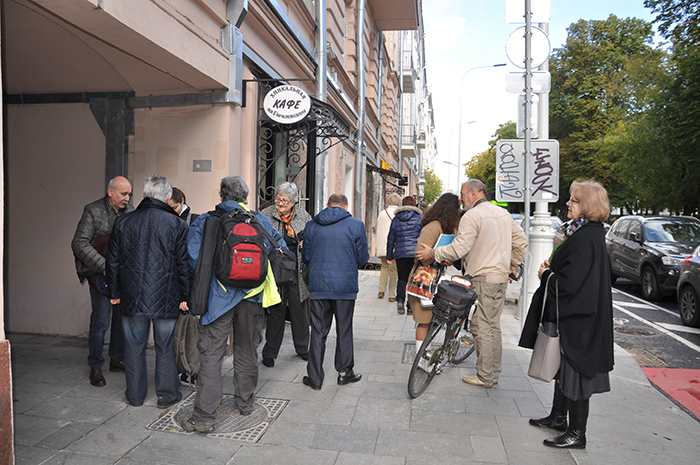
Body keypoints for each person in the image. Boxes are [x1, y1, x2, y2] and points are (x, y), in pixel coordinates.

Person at [181, 176, 286, 433]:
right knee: (247, 350)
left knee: (212, 354)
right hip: (252, 297)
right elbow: (279, 250)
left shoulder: (207, 221)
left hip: (218, 298)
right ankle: (245, 403)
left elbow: (193, 258)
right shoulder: (260, 221)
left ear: (221, 196)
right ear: (246, 197)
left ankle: (204, 416)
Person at [520, 180, 614, 449]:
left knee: (575, 375)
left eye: (574, 200)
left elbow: (572, 285)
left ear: (587, 206)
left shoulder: (586, 238)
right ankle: (558, 417)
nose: (568, 204)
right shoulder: (586, 233)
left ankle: (576, 433)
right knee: (563, 371)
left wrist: (546, 274)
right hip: (576, 318)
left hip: (580, 321)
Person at [416, 179, 527, 388]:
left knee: (481, 326)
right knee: (493, 326)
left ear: (473, 194)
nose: (461, 199)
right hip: (501, 278)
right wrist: (513, 265)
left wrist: (433, 252)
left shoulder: (472, 216)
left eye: (463, 194)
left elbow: (459, 248)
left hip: (484, 278)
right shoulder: (502, 213)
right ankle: (493, 373)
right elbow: (521, 240)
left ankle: (485, 376)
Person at [105, 175, 189, 408]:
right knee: (165, 346)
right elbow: (184, 264)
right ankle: (166, 395)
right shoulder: (177, 224)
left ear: (144, 195)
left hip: (132, 296)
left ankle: (135, 395)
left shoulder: (123, 222)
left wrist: (114, 292)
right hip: (167, 295)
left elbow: (112, 262)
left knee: (133, 346)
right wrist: (186, 296)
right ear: (168, 197)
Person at [301, 193, 369, 390]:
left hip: (318, 286)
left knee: (318, 332)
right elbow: (362, 258)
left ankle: (314, 377)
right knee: (344, 329)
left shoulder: (312, 225)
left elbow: (306, 257)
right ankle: (344, 372)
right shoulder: (356, 225)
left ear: (327, 205)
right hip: (344, 288)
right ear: (345, 206)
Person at [71, 176, 134, 387]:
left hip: (122, 275)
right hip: (101, 275)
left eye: (129, 194)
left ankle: (116, 359)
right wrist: (105, 267)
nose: (127, 198)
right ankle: (95, 366)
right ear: (110, 192)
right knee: (100, 322)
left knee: (119, 320)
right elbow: (79, 243)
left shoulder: (131, 212)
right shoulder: (93, 210)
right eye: (123, 194)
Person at [260, 182, 312, 367]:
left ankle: (303, 347)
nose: (280, 204)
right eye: (278, 199)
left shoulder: (304, 216)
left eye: (285, 200)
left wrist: (306, 244)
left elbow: (312, 239)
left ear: (294, 201)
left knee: (299, 312)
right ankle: (270, 352)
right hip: (275, 271)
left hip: (297, 272)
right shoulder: (265, 215)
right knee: (276, 312)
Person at [406, 193, 461, 351]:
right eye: (457, 208)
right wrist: (438, 257)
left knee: (429, 320)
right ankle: (420, 359)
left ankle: (424, 356)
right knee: (424, 320)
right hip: (423, 281)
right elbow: (420, 254)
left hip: (432, 280)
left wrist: (445, 259)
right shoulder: (433, 227)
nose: (459, 211)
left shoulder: (442, 227)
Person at [386, 196, 422, 315]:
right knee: (413, 280)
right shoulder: (419, 218)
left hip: (400, 253)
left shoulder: (396, 219)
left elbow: (391, 239)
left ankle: (400, 301)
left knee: (401, 279)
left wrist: (389, 255)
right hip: (415, 254)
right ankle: (410, 306)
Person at [376, 193, 401, 301]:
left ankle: (381, 290)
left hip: (382, 245)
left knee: (384, 267)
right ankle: (391, 294)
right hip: (393, 246)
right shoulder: (398, 214)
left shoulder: (382, 213)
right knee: (393, 270)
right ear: (399, 203)